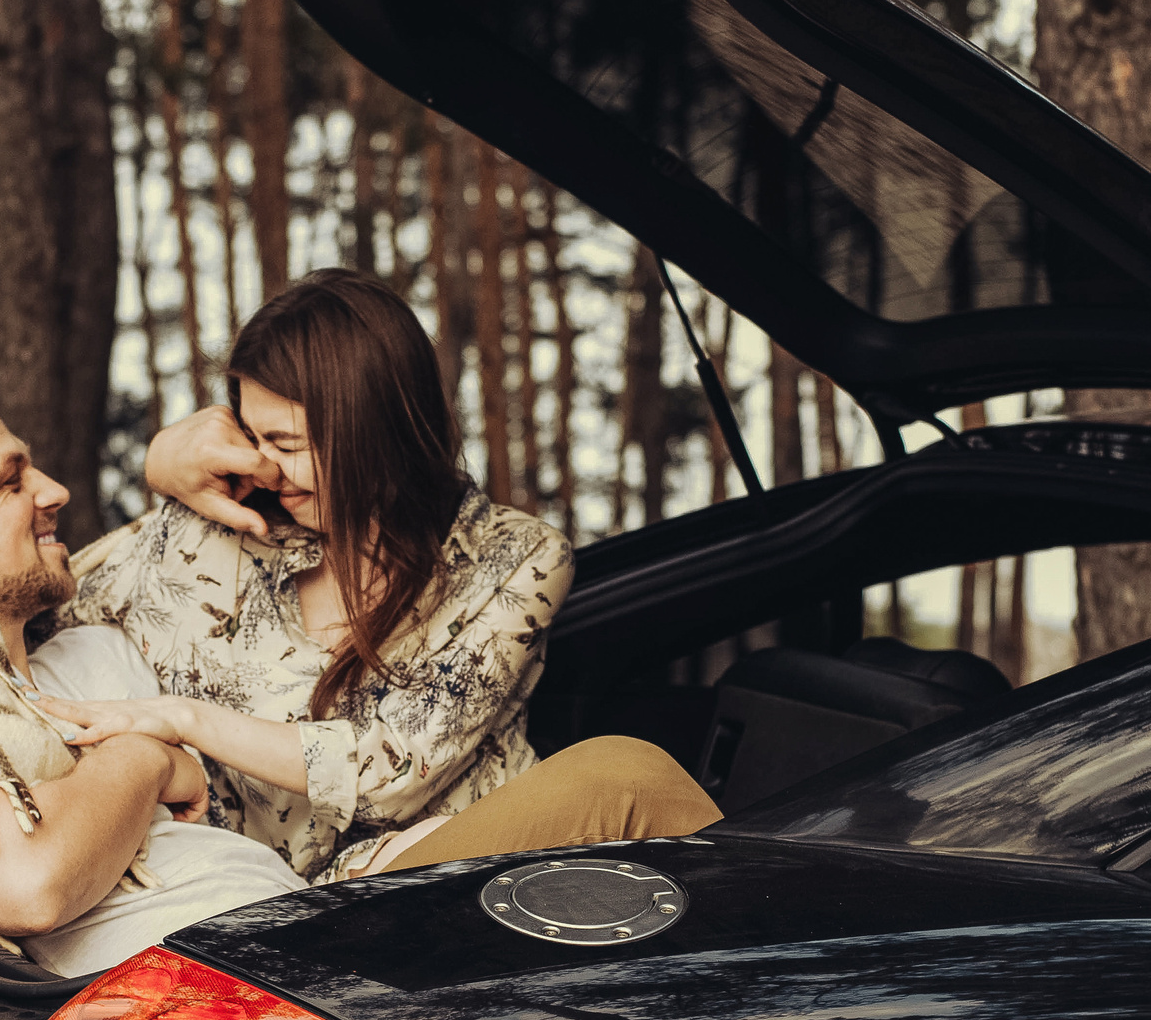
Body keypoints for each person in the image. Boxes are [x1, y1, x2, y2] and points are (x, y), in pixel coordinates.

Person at [0, 368, 719, 976]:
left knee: (626, 794)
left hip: (299, 912)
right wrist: (153, 751)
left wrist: (163, 466)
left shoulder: (64, 653)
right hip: (279, 972)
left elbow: (77, 574)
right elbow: (29, 888)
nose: (54, 490)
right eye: (12, 478)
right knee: (630, 779)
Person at [42, 267, 716, 883]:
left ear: (372, 427)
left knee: (633, 779)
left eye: (286, 443)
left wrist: (183, 719)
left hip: (451, 870)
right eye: (250, 437)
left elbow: (390, 772)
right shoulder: (207, 529)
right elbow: (30, 604)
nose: (264, 467)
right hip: (258, 902)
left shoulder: (516, 558)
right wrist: (161, 463)